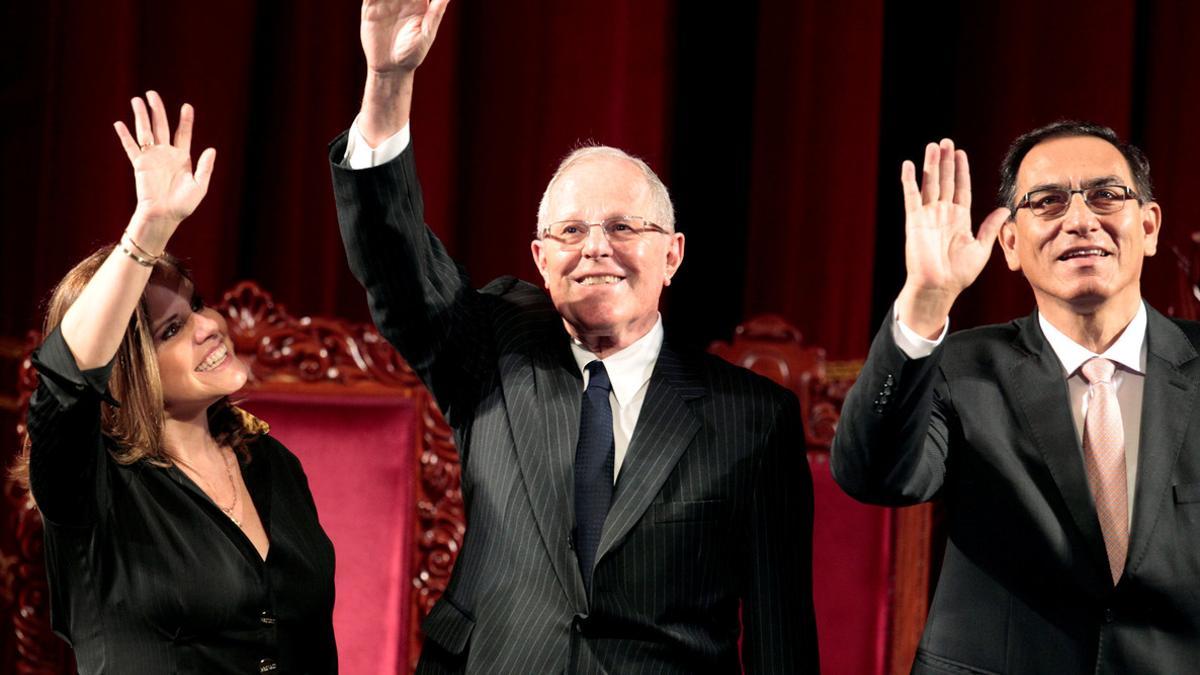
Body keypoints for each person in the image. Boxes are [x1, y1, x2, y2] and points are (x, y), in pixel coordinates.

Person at [329, 1, 818, 672]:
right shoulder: (492, 348)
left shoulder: (753, 419)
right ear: (539, 257)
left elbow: (780, 641)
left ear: (673, 254)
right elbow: (396, 261)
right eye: (570, 231)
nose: (596, 249)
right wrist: (387, 81)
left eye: (624, 227)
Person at [832, 122, 1200, 673]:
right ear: (1009, 244)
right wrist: (927, 302)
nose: (1080, 220)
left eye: (1106, 195)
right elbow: (873, 475)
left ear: (1148, 227)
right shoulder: (960, 367)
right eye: (1048, 202)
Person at [16, 91, 336, 674]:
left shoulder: (272, 463)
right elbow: (65, 383)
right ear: (127, 368)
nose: (211, 328)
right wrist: (145, 234)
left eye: (200, 307)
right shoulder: (89, 486)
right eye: (172, 329)